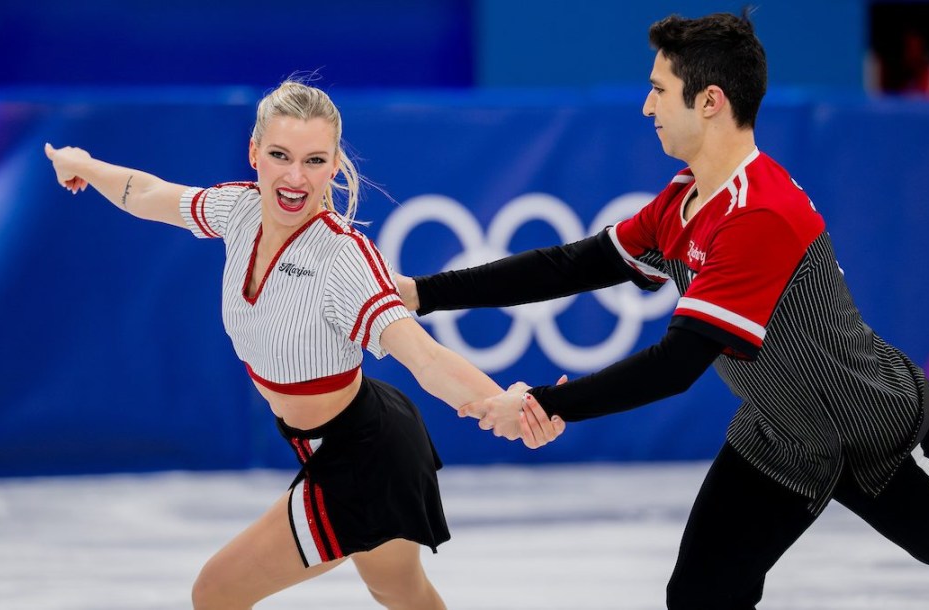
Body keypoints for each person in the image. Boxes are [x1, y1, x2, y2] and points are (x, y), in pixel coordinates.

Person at [396, 10, 929, 610]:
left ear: (709, 101)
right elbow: (569, 265)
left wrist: (545, 404)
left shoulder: (758, 216)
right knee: (701, 596)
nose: (647, 105)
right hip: (784, 435)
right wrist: (422, 293)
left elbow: (675, 365)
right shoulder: (685, 199)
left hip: (876, 430)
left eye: (659, 89)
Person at [44, 79, 564, 610]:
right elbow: (148, 194)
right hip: (361, 441)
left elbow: (425, 358)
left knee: (216, 592)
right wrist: (85, 165)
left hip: (364, 456)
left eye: (314, 161)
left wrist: (511, 405)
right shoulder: (238, 210)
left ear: (334, 165)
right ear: (254, 153)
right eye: (280, 156)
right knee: (400, 591)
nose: (295, 178)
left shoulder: (343, 259)